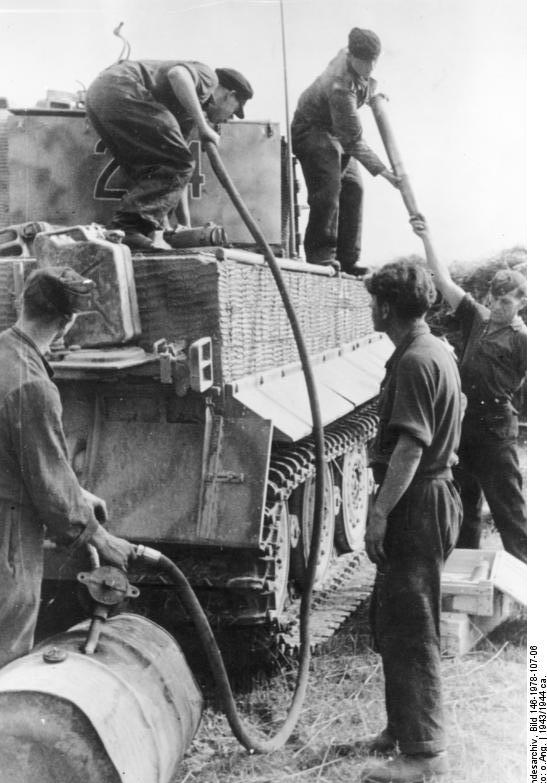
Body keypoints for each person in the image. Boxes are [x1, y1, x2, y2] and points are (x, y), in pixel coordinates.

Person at [0, 267, 135, 668]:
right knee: (6, 642)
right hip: (7, 528)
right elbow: (47, 483)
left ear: (22, 304)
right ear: (67, 322)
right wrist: (98, 537)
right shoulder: (32, 385)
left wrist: (75, 493)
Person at [360, 261, 463, 783]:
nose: (371, 308)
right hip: (426, 497)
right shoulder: (429, 350)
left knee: (412, 626)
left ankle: (424, 753)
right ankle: (402, 728)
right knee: (395, 620)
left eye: (374, 301)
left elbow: (411, 445)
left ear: (386, 307)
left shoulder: (416, 361)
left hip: (418, 501)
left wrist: (380, 512)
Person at [410, 215, 527, 563]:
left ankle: (529, 593)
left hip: (495, 428)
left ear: (522, 303)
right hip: (464, 425)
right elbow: (443, 280)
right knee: (462, 506)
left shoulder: (523, 339)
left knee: (510, 512)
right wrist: (427, 237)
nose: (500, 305)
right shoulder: (476, 317)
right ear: (489, 295)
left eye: (509, 302)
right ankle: (464, 577)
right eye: (497, 298)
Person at [86, 60, 253, 251]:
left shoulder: (185, 114)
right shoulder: (209, 78)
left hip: (100, 94)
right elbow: (177, 75)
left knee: (153, 169)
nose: (229, 118)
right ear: (229, 95)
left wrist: (185, 225)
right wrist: (204, 126)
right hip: (122, 88)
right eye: (235, 109)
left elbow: (175, 176)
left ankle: (129, 232)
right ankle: (128, 228)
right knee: (180, 162)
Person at [291, 27, 400, 273]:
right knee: (329, 190)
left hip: (337, 133)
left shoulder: (355, 62)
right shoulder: (339, 85)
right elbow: (353, 140)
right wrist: (385, 173)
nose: (371, 68)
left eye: (374, 61)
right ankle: (321, 256)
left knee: (354, 188)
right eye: (365, 62)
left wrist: (374, 94)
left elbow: (364, 84)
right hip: (312, 129)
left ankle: (348, 259)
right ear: (352, 57)